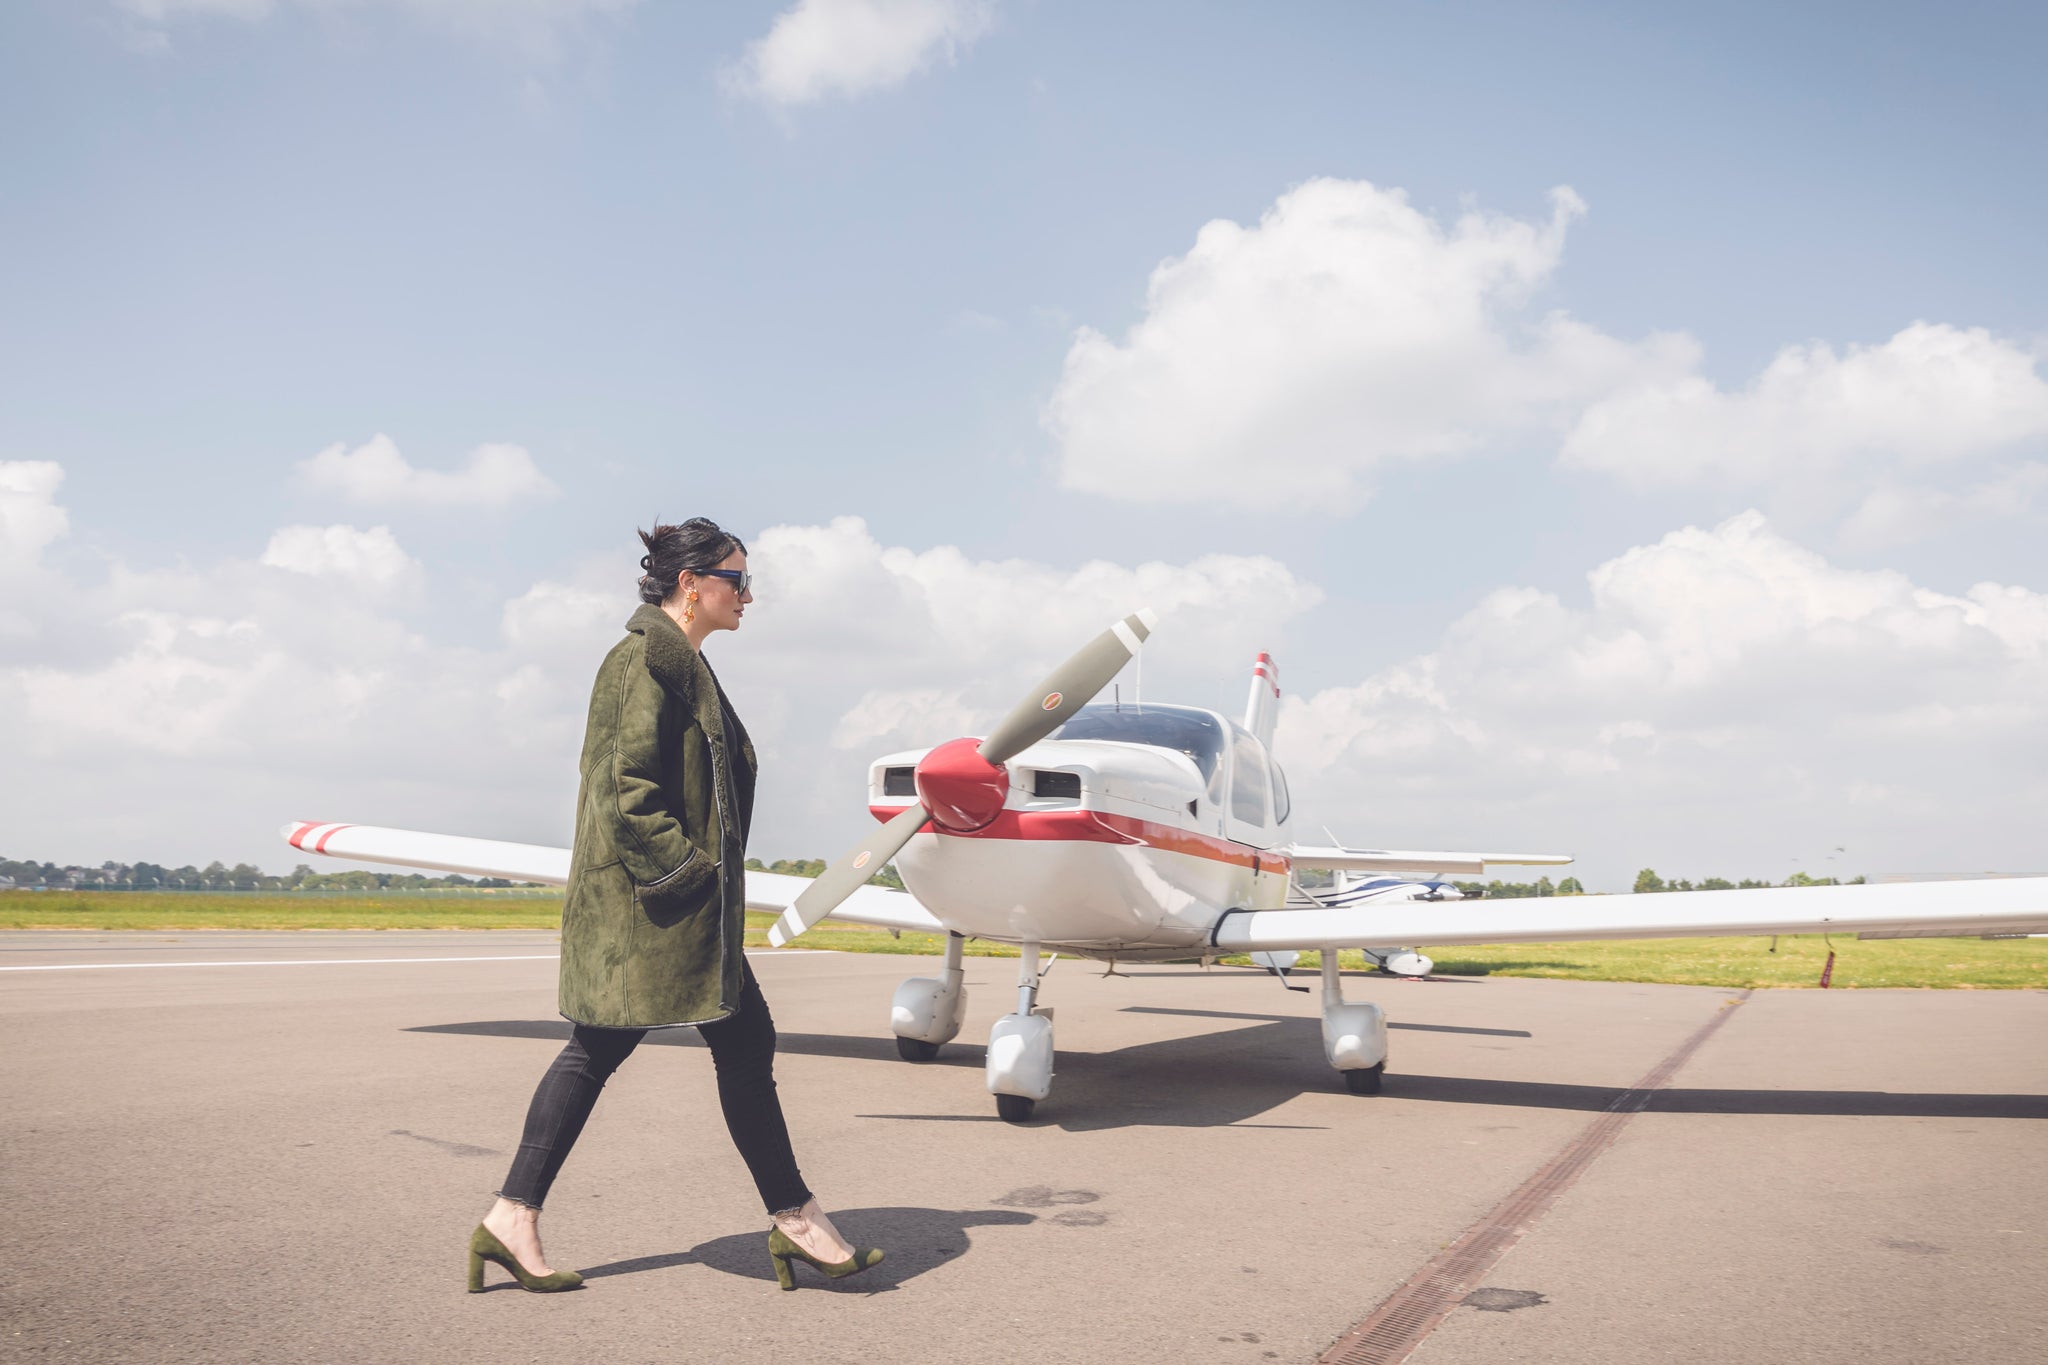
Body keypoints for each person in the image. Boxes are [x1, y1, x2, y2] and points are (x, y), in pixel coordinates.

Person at [466, 517, 883, 1294]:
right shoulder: (638, 663)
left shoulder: (681, 660)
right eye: (738, 579)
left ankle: (794, 1219)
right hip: (650, 916)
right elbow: (623, 794)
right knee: (602, 1052)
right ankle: (515, 1215)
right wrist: (693, 875)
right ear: (691, 584)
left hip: (681, 916)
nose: (749, 595)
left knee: (732, 1048)